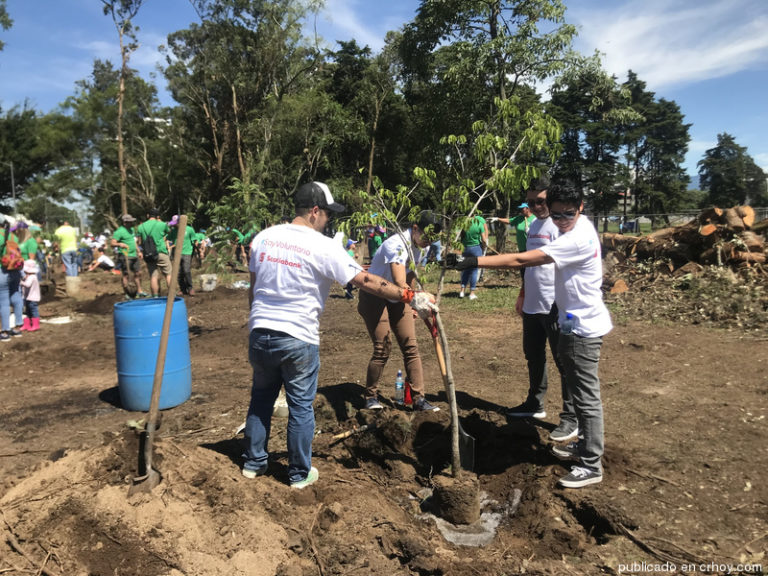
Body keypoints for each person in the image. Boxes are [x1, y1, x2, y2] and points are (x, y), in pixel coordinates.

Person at [243, 181, 437, 489]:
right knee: (300, 406)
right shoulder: (322, 245)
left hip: (261, 331)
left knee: (261, 398)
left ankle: (253, 464)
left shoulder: (263, 238)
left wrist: (257, 323)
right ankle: (297, 474)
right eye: (328, 215)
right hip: (297, 336)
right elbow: (366, 281)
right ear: (315, 212)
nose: (328, 221)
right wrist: (409, 296)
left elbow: (253, 291)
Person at [451, 184, 612, 489]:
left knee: (586, 398)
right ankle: (584, 447)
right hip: (573, 321)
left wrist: (472, 261)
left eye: (569, 212)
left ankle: (591, 465)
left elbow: (521, 260)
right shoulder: (580, 225)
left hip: (582, 328)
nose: (562, 219)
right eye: (558, 212)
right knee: (579, 389)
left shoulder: (576, 238)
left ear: (580, 208)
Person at [504, 178, 578, 443]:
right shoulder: (534, 225)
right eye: (531, 202)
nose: (535, 206)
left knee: (566, 361)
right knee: (533, 355)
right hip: (534, 304)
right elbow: (528, 264)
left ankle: (572, 417)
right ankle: (535, 403)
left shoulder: (562, 226)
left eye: (540, 201)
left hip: (559, 307)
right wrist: (523, 293)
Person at [358, 211, 442, 412]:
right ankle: (371, 397)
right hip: (375, 296)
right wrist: (415, 298)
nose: (429, 242)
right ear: (415, 229)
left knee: (410, 346)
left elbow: (410, 272)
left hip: (398, 297)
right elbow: (398, 281)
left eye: (433, 238)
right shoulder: (395, 244)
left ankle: (419, 398)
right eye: (427, 236)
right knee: (383, 347)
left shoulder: (420, 245)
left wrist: (412, 303)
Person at [137, 208, 171, 298]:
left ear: (148, 216)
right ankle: (172, 295)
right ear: (158, 216)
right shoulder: (162, 224)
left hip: (149, 254)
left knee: (153, 275)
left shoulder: (141, 227)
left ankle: (155, 296)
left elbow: (139, 242)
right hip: (161, 252)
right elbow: (169, 232)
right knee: (168, 274)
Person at [0, 221, 24, 341]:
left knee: (3, 301)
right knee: (16, 296)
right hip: (15, 270)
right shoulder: (13, 236)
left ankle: (5, 332)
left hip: (2, 271)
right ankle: (18, 328)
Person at [111, 214, 146, 298]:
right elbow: (112, 243)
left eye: (132, 221)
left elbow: (134, 241)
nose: (131, 223)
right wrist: (120, 244)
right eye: (130, 222)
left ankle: (139, 290)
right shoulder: (119, 231)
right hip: (125, 255)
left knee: (138, 273)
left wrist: (139, 251)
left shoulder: (131, 229)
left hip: (134, 254)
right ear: (125, 222)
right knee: (126, 274)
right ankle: (127, 293)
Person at [458, 214, 488, 300]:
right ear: (475, 214)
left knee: (466, 270)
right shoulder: (478, 223)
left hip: (465, 248)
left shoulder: (463, 223)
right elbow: (483, 239)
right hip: (476, 248)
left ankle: (462, 291)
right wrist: (484, 245)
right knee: (474, 270)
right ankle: (472, 293)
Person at [168, 215, 196, 296]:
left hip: (187, 252)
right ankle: (183, 289)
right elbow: (168, 238)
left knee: (186, 270)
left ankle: (190, 288)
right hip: (177, 254)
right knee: (179, 272)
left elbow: (194, 240)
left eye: (175, 223)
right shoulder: (173, 231)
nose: (174, 225)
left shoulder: (189, 229)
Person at [20, 259, 41, 332]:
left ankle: (36, 325)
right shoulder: (30, 277)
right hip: (28, 297)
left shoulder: (32, 277)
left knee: (34, 311)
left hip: (32, 298)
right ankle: (27, 324)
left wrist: (21, 282)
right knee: (28, 311)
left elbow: (27, 285)